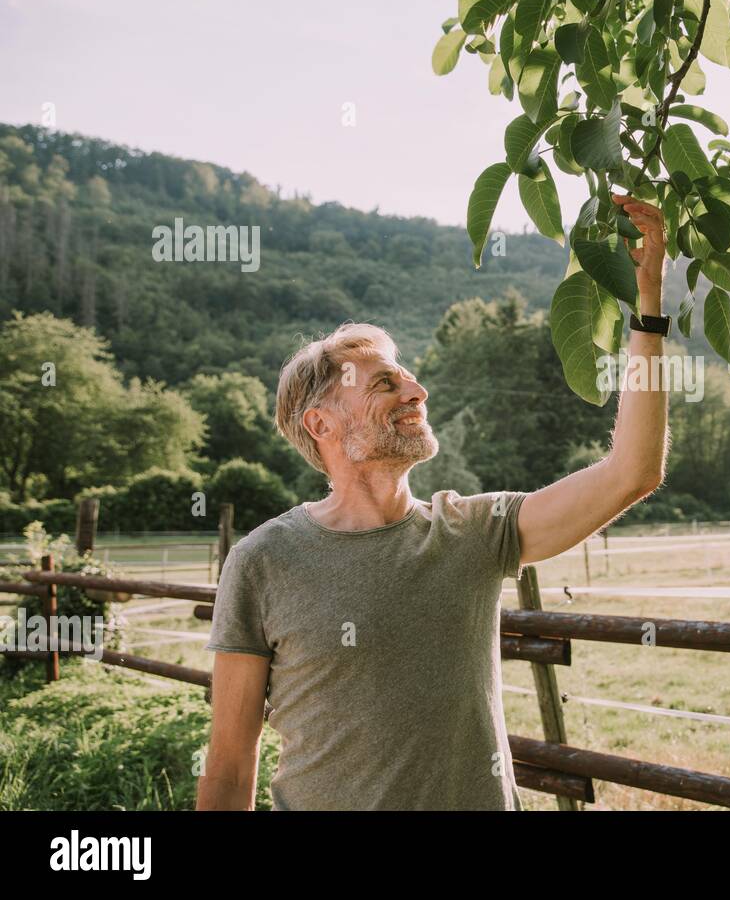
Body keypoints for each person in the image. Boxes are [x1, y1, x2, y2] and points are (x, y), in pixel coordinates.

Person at [197, 196, 670, 810]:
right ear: (322, 423)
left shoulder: (473, 532)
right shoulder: (264, 560)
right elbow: (232, 763)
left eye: (409, 376)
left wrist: (649, 308)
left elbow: (632, 472)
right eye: (385, 383)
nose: (416, 390)